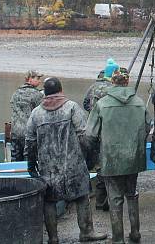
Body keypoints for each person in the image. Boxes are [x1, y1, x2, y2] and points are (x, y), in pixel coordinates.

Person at [26, 77, 107, 243]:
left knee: (49, 201)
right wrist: (89, 159)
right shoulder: (71, 108)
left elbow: (30, 142)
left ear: (44, 94)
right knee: (82, 196)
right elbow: (85, 136)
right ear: (61, 90)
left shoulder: (36, 114)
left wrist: (31, 165)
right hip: (73, 165)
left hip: (48, 168)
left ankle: (53, 238)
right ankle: (86, 232)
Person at [86, 68, 147, 244]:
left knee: (115, 198)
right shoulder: (139, 102)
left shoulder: (102, 104)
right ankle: (135, 233)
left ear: (112, 82)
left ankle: (118, 238)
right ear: (127, 82)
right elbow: (148, 124)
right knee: (132, 194)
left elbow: (90, 133)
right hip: (133, 158)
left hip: (111, 159)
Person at [83, 65, 114, 211]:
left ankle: (96, 197)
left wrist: (93, 113)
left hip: (93, 129)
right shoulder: (113, 89)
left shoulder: (92, 87)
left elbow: (85, 104)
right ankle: (107, 200)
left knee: (95, 163)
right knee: (107, 165)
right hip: (108, 130)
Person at [9, 69, 44, 162]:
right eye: (38, 78)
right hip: (29, 133)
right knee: (30, 161)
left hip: (15, 132)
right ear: (29, 79)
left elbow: (12, 107)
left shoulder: (15, 93)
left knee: (15, 160)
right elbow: (41, 114)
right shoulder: (37, 95)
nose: (40, 81)